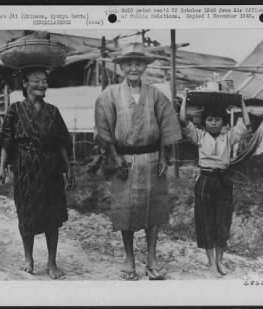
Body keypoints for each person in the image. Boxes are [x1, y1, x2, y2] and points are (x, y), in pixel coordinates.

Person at [95, 42, 182, 280]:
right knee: (125, 210)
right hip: (124, 160)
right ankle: (129, 258)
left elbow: (167, 123)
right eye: (129, 63)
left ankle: (152, 258)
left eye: (138, 63)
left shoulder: (155, 94)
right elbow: (103, 128)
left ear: (144, 66)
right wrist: (114, 158)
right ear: (122, 66)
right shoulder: (110, 94)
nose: (134, 67)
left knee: (154, 209)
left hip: (152, 159)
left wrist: (165, 154)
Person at [0, 66, 75, 280]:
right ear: (25, 83)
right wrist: (2, 167)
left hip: (51, 169)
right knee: (27, 213)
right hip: (25, 169)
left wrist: (68, 168)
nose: (42, 84)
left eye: (44, 81)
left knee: (53, 215)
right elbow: (6, 141)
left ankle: (52, 262)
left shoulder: (53, 111)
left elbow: (61, 143)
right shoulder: (14, 110)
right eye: (37, 80)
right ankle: (28, 259)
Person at [180, 94, 250, 277]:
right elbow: (183, 120)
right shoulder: (200, 136)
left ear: (223, 122)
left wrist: (241, 102)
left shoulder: (228, 137)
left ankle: (220, 261)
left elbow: (246, 123)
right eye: (209, 119)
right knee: (206, 222)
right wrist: (186, 99)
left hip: (223, 181)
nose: (213, 123)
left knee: (222, 222)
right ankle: (211, 264)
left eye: (217, 119)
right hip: (205, 181)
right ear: (204, 123)